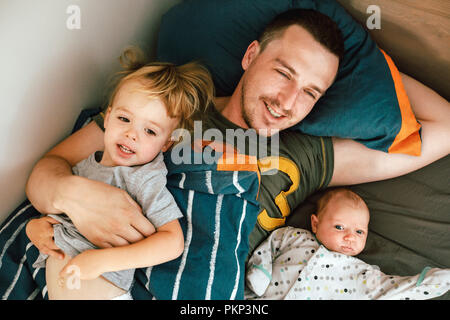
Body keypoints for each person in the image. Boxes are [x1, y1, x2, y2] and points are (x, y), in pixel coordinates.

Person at [25, 9, 449, 278]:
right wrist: (74, 194)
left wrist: (363, 57)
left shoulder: (308, 153)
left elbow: (444, 125)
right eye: (283, 73)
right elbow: (50, 167)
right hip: (97, 269)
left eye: (311, 92)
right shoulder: (170, 107)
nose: (287, 103)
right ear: (250, 56)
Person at [25, 49, 215, 300]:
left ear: (166, 144)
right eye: (124, 118)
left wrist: (101, 261)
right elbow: (57, 215)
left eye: (149, 131)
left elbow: (172, 242)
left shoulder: (143, 178)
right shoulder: (82, 167)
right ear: (109, 115)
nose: (132, 134)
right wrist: (34, 229)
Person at [245, 188, 450, 300]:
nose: (350, 237)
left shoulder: (361, 272)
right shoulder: (295, 237)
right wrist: (260, 270)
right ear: (315, 224)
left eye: (359, 231)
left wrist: (434, 281)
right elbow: (272, 243)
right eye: (340, 227)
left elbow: (392, 290)